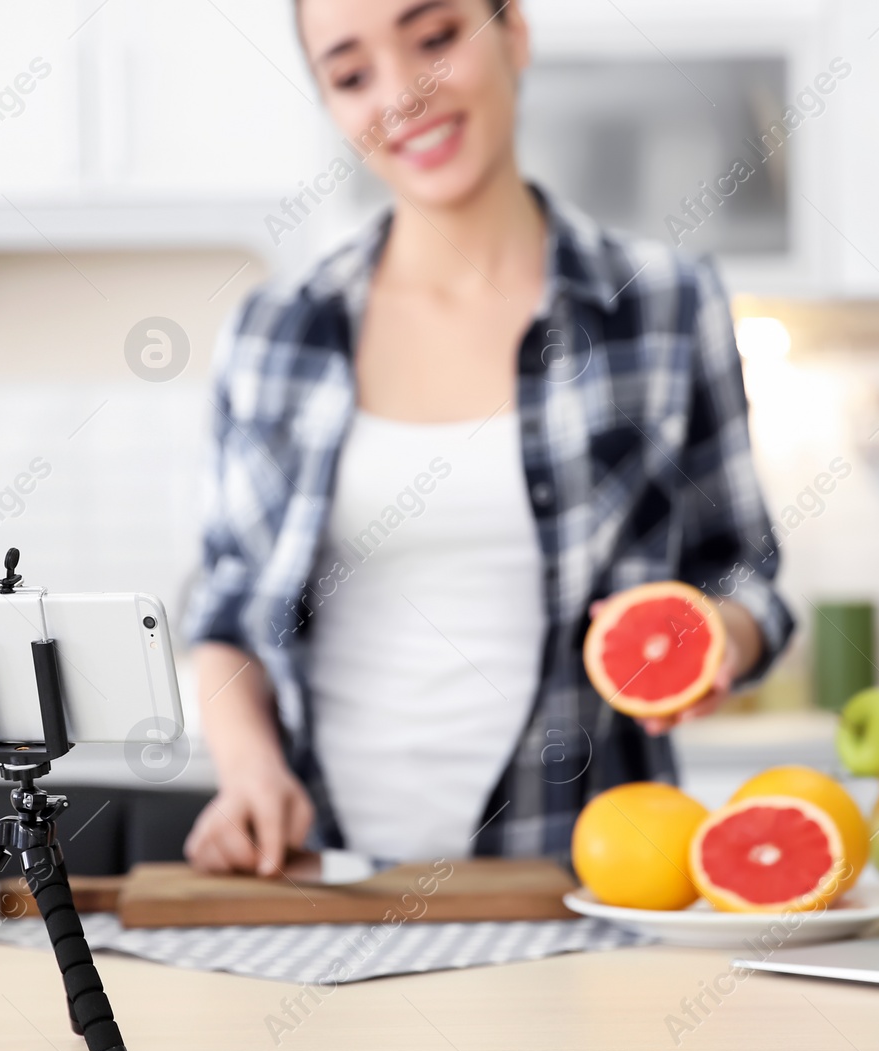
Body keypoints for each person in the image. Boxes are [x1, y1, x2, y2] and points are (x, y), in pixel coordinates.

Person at [182, 0, 794, 876]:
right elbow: (229, 608)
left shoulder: (664, 303)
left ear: (514, 35)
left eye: (434, 39)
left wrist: (713, 642)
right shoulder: (276, 329)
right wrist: (248, 772)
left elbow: (742, 569)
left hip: (581, 882)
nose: (402, 95)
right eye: (352, 75)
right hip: (325, 882)